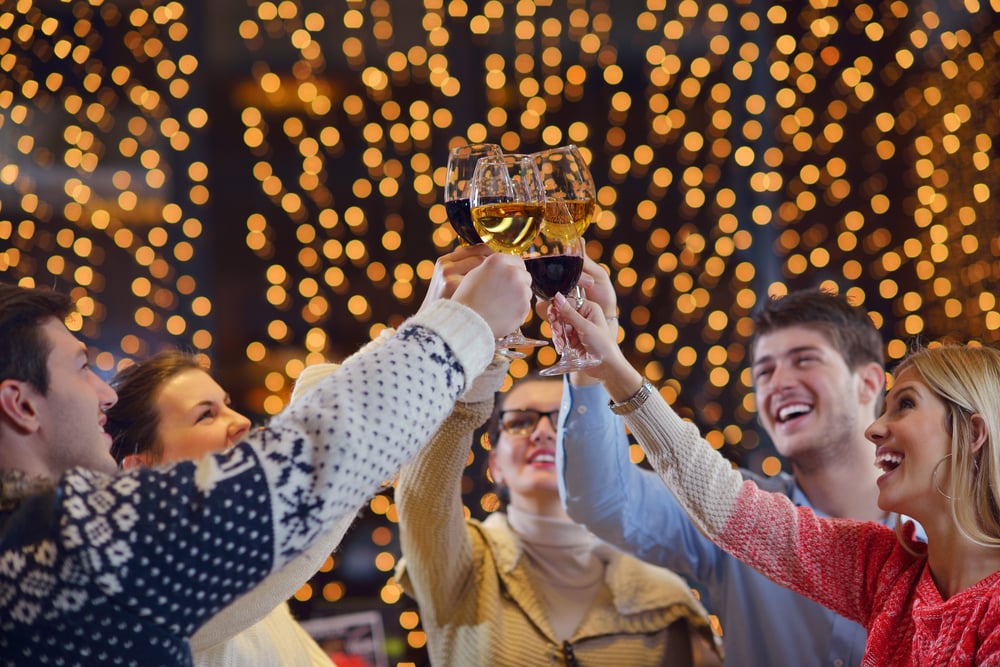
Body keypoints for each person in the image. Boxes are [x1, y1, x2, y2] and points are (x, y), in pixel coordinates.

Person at [0, 250, 532, 665]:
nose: (105, 393)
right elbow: (301, 473)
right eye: (81, 367)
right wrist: (459, 327)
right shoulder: (57, 540)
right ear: (20, 404)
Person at [551, 288, 1000, 665]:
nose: (875, 428)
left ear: (973, 433)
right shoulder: (881, 565)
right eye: (763, 371)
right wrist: (607, 367)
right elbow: (708, 495)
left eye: (905, 404)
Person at [390, 368, 721, 666]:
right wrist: (477, 365)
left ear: (601, 450)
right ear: (496, 466)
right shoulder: (464, 565)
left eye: (564, 419)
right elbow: (423, 494)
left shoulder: (664, 598)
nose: (543, 432)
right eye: (520, 422)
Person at [105, 350, 333, 667]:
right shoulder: (153, 585)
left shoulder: (254, 575)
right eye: (206, 415)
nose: (241, 422)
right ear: (142, 471)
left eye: (227, 404)